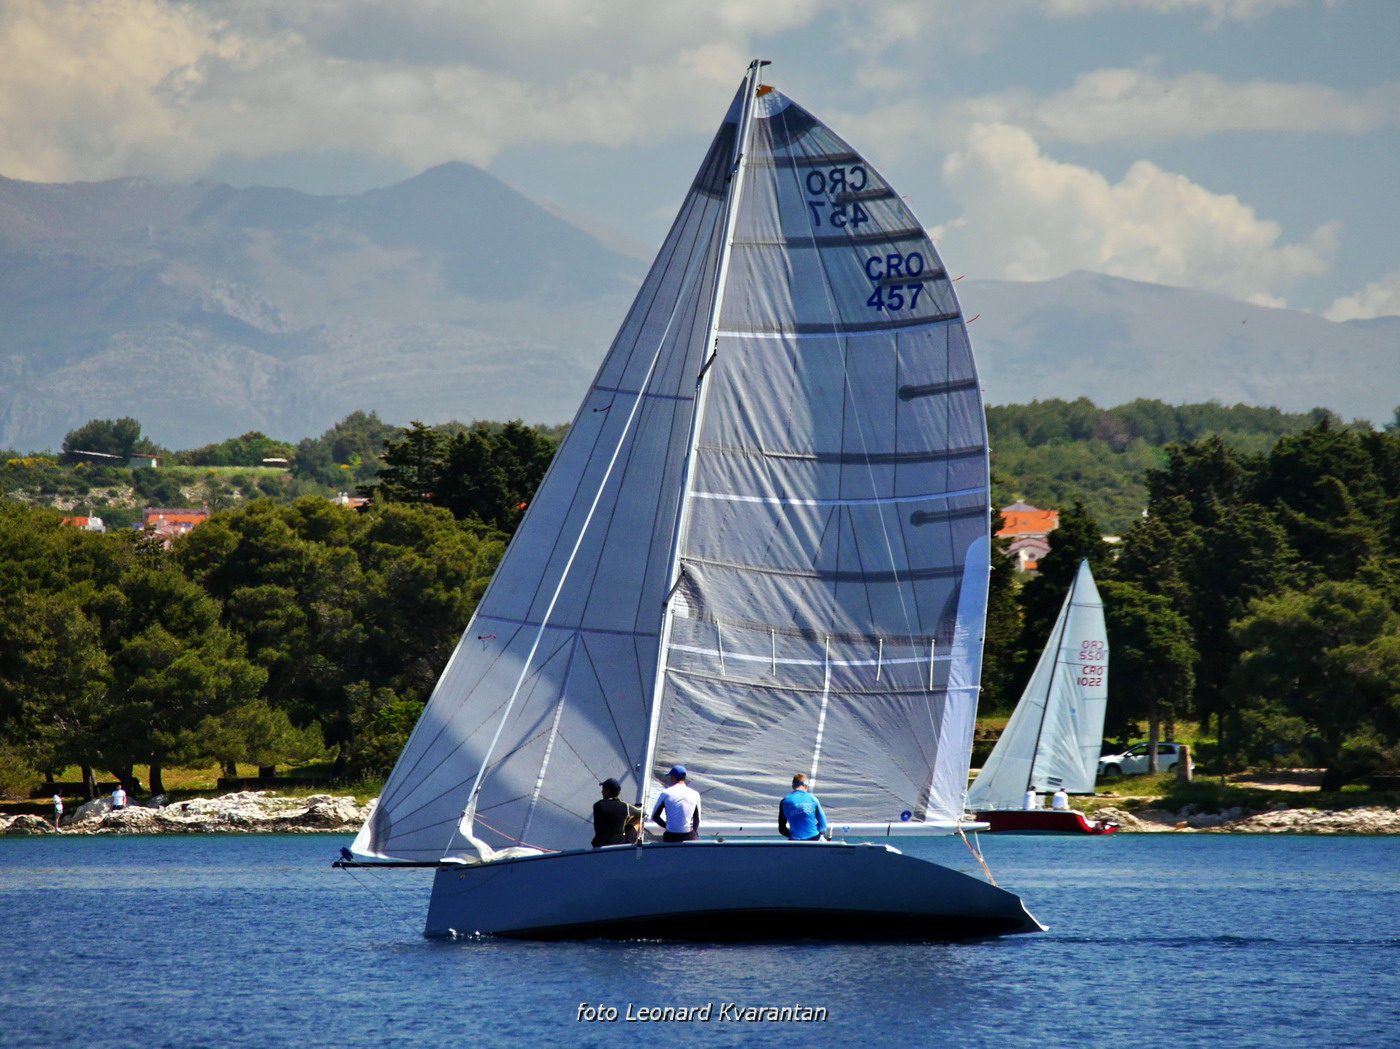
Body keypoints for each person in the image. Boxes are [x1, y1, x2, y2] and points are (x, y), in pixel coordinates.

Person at [651, 765, 700, 842]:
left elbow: (654, 816)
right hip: (689, 836)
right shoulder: (695, 794)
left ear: (673, 777)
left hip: (671, 836)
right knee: (694, 835)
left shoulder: (666, 793)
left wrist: (667, 826)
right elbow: (697, 820)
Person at [778, 773, 828, 841]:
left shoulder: (784, 802)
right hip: (814, 838)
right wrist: (813, 833)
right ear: (806, 786)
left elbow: (782, 829)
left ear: (793, 787)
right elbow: (823, 824)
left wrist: (793, 835)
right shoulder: (813, 799)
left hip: (795, 841)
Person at [591, 778, 640, 848]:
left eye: (603, 789)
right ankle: (634, 847)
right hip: (620, 844)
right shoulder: (625, 806)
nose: (601, 792)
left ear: (607, 791)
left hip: (599, 844)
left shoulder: (597, 805)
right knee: (637, 819)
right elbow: (641, 813)